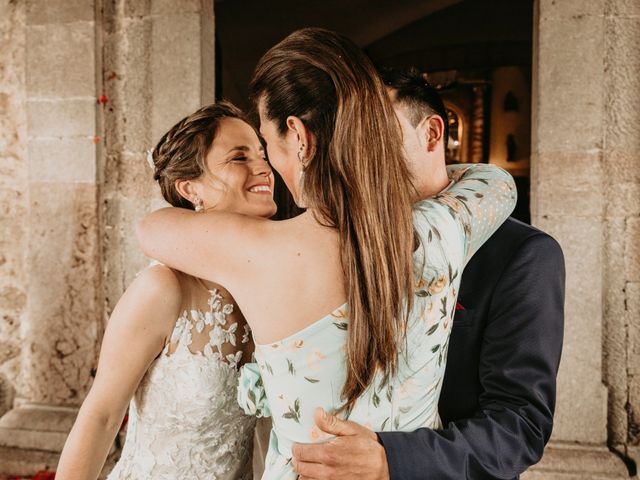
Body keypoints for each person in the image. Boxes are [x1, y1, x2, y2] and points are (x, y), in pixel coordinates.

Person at [136, 28, 516, 479]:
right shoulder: (445, 227)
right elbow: (496, 182)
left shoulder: (258, 251)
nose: (268, 162)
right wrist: (370, 167)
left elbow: (153, 228)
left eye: (267, 141)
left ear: (297, 136)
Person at [290, 68, 565, 480]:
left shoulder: (522, 255)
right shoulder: (339, 240)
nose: (362, 155)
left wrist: (392, 459)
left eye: (377, 137)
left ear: (432, 133)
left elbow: (519, 426)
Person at [56, 102, 276, 480]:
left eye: (262, 153)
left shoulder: (272, 287)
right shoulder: (163, 288)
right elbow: (102, 416)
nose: (263, 167)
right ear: (191, 189)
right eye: (239, 157)